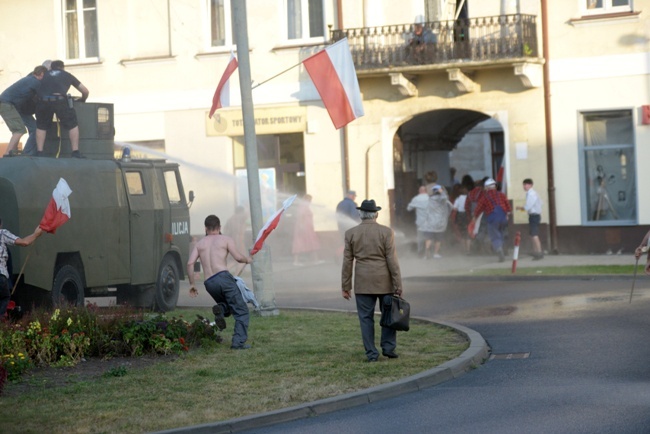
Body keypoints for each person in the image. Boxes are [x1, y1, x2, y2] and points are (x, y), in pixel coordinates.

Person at [341, 199, 403, 362]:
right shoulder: (387, 232)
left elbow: (347, 261)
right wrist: (398, 284)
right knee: (389, 315)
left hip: (362, 283)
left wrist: (346, 286)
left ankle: (371, 354)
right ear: (376, 214)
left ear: (361, 214)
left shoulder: (350, 233)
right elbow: (392, 260)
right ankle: (389, 348)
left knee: (365, 319)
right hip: (385, 282)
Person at [187, 215, 253, 350]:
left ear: (205, 228)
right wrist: (248, 259)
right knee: (241, 311)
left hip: (209, 283)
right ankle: (238, 343)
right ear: (220, 227)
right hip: (223, 277)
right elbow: (238, 258)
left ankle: (221, 310)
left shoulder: (200, 244)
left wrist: (192, 284)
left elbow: (190, 263)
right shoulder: (226, 240)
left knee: (228, 306)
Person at [35, 60, 89, 158]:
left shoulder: (44, 74)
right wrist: (83, 99)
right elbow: (85, 90)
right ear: (63, 67)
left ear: (51, 67)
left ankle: (39, 152)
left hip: (43, 101)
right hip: (60, 100)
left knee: (41, 126)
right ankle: (75, 152)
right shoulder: (67, 75)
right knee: (72, 124)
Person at [0, 65, 47, 157]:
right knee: (19, 130)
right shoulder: (35, 82)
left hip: (14, 106)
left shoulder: (29, 79)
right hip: (7, 104)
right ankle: (8, 154)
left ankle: (21, 153)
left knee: (34, 128)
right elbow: (43, 96)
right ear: (41, 74)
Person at [1, 219, 43, 317]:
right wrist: (36, 234)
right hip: (1, 278)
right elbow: (24, 242)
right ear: (1, 225)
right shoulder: (2, 234)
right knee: (3, 301)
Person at [471, 178, 511, 262]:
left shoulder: (485, 197)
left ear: (486, 188)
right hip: (503, 218)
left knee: (494, 235)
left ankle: (499, 250)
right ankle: (504, 248)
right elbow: (508, 207)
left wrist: (474, 217)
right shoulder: (502, 195)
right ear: (495, 187)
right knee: (503, 234)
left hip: (493, 219)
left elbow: (478, 208)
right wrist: (507, 215)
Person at [516, 178, 543, 260]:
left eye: (526, 184)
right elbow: (541, 203)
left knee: (534, 235)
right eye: (524, 184)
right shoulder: (532, 193)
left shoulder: (531, 194)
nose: (524, 186)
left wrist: (520, 208)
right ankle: (536, 251)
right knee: (532, 234)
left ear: (531, 185)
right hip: (533, 215)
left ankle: (539, 252)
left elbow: (528, 206)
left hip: (534, 215)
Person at [291, 194, 321, 266]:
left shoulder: (305, 206)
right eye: (310, 200)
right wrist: (301, 227)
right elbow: (301, 216)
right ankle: (296, 261)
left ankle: (315, 259)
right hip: (304, 228)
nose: (310, 201)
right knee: (299, 243)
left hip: (308, 228)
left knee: (312, 242)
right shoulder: (303, 206)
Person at [426, 185, 453, 259]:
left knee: (429, 238)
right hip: (440, 223)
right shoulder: (442, 199)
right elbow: (450, 205)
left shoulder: (430, 199)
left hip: (430, 222)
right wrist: (442, 192)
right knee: (438, 239)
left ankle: (427, 251)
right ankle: (435, 253)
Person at [223, 205, 249, 274]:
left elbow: (226, 231)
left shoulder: (230, 219)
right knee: (243, 259)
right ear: (241, 212)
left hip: (232, 241)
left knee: (235, 260)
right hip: (239, 242)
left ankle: (223, 272)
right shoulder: (240, 218)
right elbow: (247, 216)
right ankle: (236, 276)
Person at [406, 186, 429, 257]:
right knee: (428, 237)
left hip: (420, 221)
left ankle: (420, 252)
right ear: (426, 191)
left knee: (420, 237)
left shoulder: (416, 199)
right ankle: (428, 251)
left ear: (419, 191)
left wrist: (416, 207)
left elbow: (408, 208)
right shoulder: (430, 198)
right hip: (430, 221)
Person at [452, 185, 470, 254]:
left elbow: (455, 208)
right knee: (467, 232)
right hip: (467, 215)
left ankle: (464, 249)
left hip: (460, 215)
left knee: (462, 232)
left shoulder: (458, 199)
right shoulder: (469, 198)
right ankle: (468, 249)